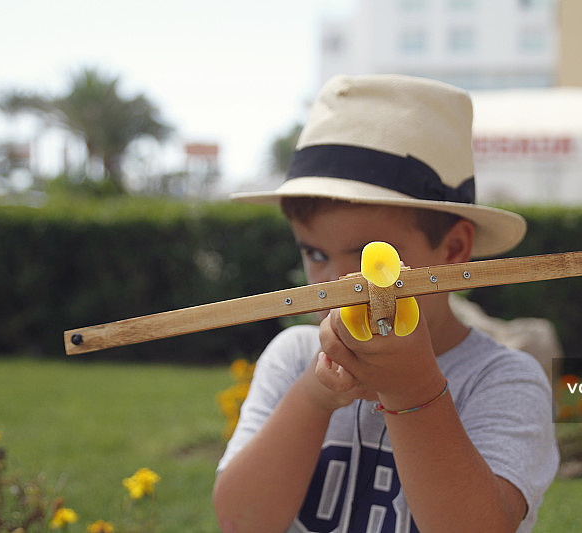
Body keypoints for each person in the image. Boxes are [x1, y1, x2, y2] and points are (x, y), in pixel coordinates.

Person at [213, 74, 558, 533]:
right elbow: (242, 522)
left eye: (368, 258)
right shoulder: (295, 358)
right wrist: (314, 398)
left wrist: (414, 391)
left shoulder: (504, 380)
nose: (336, 282)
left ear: (453, 251)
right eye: (315, 253)